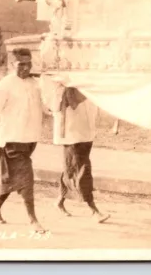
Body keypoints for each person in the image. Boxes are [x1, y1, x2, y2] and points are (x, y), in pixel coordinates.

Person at [0, 48, 49, 233]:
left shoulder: (36, 84)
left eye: (28, 63)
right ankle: (33, 220)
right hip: (10, 141)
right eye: (20, 64)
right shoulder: (4, 86)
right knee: (26, 178)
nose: (25, 68)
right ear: (11, 65)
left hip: (30, 140)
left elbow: (48, 104)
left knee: (11, 179)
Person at [53, 86, 110, 223]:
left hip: (86, 132)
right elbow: (61, 103)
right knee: (82, 170)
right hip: (72, 134)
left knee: (71, 169)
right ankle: (94, 210)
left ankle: (59, 201)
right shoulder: (66, 85)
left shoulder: (88, 83)